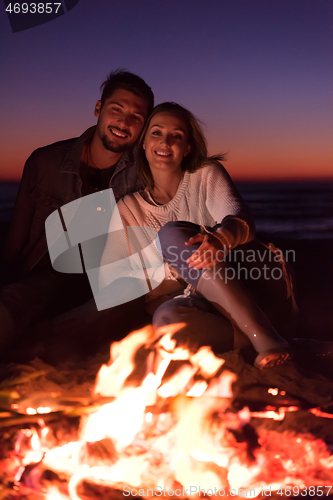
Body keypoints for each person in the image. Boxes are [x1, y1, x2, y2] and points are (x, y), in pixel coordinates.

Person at [98, 102, 297, 368]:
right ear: (143, 143)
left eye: (176, 136)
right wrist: (181, 268)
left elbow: (242, 222)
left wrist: (221, 240)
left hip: (247, 287)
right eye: (156, 133)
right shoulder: (128, 209)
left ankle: (263, 338)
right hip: (198, 307)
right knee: (166, 320)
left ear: (187, 147)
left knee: (172, 236)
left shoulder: (205, 175)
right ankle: (281, 342)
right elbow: (129, 282)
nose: (165, 142)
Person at [0, 70, 154, 354]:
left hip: (108, 279)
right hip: (49, 274)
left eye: (136, 117)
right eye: (116, 109)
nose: (123, 121)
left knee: (112, 309)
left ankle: (38, 348)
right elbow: (17, 234)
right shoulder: (44, 162)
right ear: (98, 109)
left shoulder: (147, 175)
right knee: (11, 303)